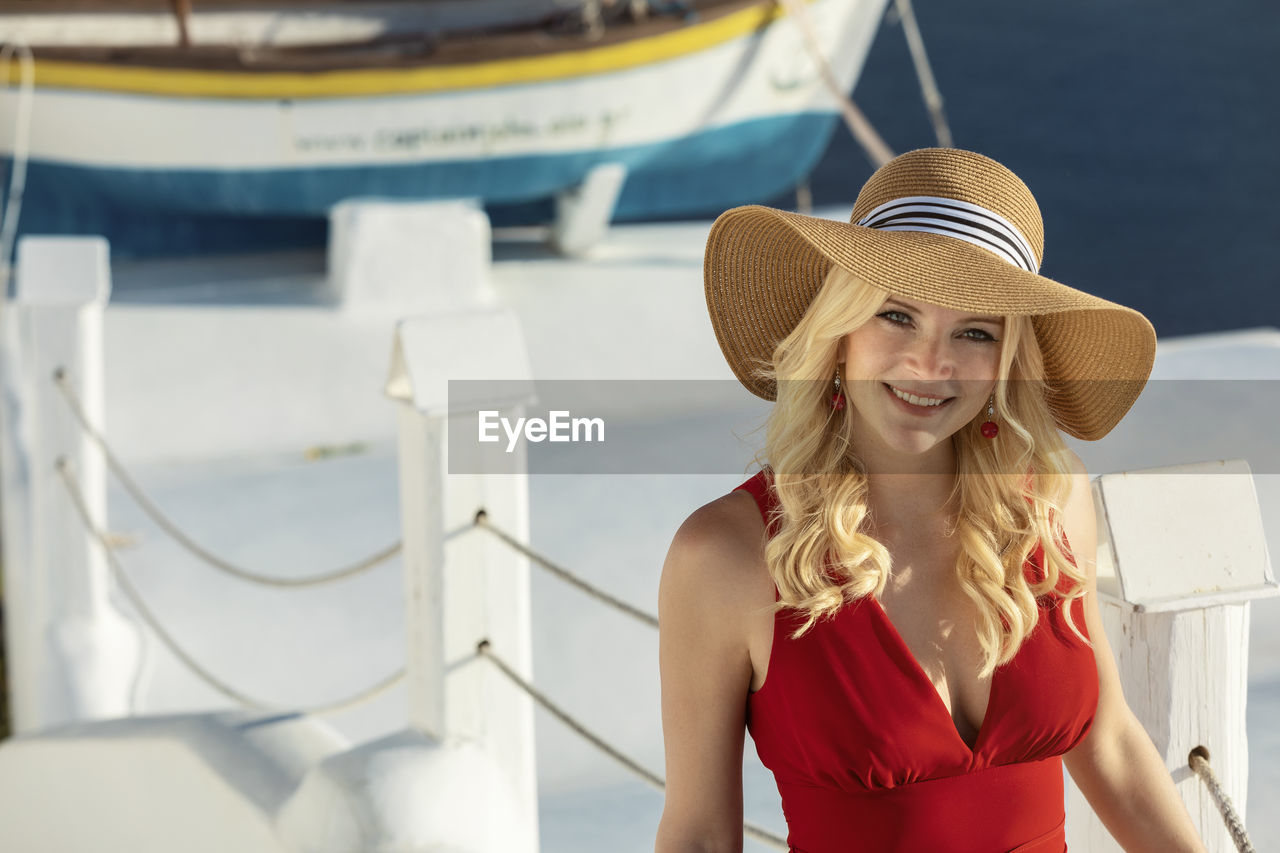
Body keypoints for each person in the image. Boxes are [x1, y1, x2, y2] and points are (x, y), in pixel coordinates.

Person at [655, 148, 1208, 852]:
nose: (931, 363)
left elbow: (1111, 744)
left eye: (974, 331)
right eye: (896, 316)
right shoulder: (728, 556)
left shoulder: (1050, 500)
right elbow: (701, 834)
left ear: (1008, 360)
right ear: (839, 334)